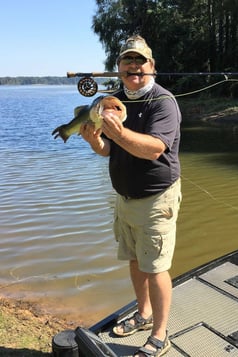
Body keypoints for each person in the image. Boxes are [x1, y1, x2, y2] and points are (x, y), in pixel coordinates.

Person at [80, 35, 182, 357]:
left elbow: (154, 149)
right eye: (128, 62)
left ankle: (160, 335)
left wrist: (119, 132)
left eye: (141, 61)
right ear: (119, 69)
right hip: (124, 199)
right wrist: (95, 141)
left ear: (152, 66)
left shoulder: (163, 102)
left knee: (156, 268)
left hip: (156, 200)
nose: (134, 67)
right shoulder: (114, 101)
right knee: (136, 260)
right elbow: (109, 149)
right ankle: (143, 313)